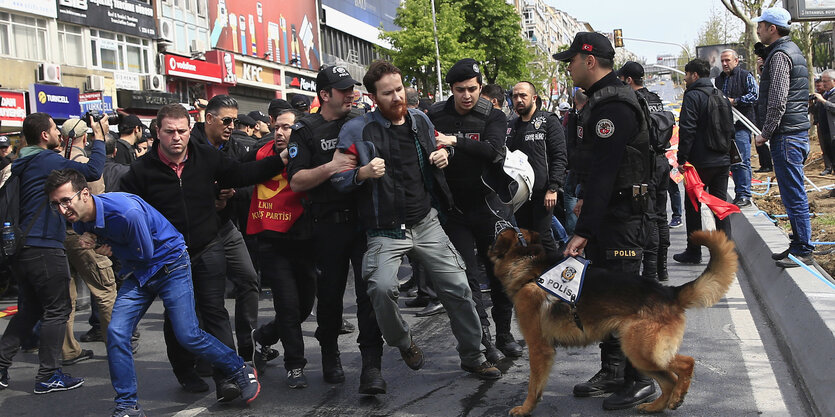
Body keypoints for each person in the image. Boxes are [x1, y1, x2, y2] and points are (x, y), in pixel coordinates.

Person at [332, 59, 501, 381]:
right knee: (380, 289)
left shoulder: (420, 120)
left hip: (426, 223)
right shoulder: (356, 129)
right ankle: (404, 342)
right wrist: (361, 173)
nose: (397, 98)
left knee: (459, 288)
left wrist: (445, 155)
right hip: (384, 230)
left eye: (399, 90)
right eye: (388, 93)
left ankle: (473, 356)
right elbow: (338, 179)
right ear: (373, 97)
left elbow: (440, 148)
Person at [45, 169, 260, 417]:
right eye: (56, 204)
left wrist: (109, 249)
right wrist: (96, 238)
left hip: (170, 265)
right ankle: (127, 405)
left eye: (65, 201)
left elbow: (144, 255)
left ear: (84, 194)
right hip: (140, 272)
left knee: (187, 333)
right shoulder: (81, 218)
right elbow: (133, 256)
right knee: (116, 333)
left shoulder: (127, 212)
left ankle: (240, 369)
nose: (62, 210)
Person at [119, 103, 283, 396]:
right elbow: (124, 210)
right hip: (168, 257)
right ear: (157, 132)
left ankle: (227, 378)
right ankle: (185, 371)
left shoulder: (205, 156)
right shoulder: (140, 172)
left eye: (182, 130)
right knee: (177, 316)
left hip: (207, 247)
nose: (176, 137)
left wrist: (281, 160)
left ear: (189, 130)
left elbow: (242, 174)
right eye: (169, 132)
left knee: (215, 311)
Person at [554, 32, 655, 410]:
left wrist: (583, 231)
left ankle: (642, 378)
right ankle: (614, 370)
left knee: (624, 301)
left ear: (589, 60)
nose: (568, 67)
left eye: (572, 61)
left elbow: (605, 172)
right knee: (606, 298)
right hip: (611, 215)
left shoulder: (613, 106)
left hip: (623, 218)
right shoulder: (601, 101)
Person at [285, 65, 387, 394]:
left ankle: (371, 364)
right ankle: (330, 354)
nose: (351, 95)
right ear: (324, 95)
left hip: (363, 221)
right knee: (329, 299)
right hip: (326, 226)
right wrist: (331, 167)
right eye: (343, 90)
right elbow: (297, 180)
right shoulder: (306, 129)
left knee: (369, 294)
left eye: (351, 89)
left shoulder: (362, 120)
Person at [0, 112, 105, 394]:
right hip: (45, 246)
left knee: (30, 310)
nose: (59, 131)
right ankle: (49, 374)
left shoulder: (21, 162)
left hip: (22, 248)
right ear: (44, 135)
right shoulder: (46, 161)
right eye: (54, 128)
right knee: (58, 309)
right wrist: (99, 136)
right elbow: (92, 172)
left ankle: (0, 366)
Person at [428, 58, 521, 361]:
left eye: (472, 89)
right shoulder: (436, 115)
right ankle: (485, 340)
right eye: (460, 90)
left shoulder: (493, 115)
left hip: (491, 208)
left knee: (499, 276)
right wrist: (437, 155)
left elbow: (494, 150)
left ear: (480, 88)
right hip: (455, 210)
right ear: (451, 90)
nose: (467, 95)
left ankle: (506, 336)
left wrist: (454, 142)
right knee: (468, 279)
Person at [245, 108, 316, 388]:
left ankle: (262, 337)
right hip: (271, 243)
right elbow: (239, 174)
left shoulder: (308, 155)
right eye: (277, 127)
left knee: (303, 307)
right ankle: (295, 366)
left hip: (305, 241)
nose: (280, 132)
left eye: (287, 128)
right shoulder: (260, 153)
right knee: (287, 307)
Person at [753, 7, 815, 268]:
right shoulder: (790, 51)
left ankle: (803, 249)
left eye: (761, 25)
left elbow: (778, 101)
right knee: (793, 191)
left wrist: (764, 134)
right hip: (794, 133)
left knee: (793, 193)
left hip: (786, 136)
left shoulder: (780, 55)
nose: (758, 30)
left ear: (772, 29)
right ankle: (800, 242)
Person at [58, 119, 117, 365]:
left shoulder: (54, 160)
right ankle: (117, 347)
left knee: (66, 297)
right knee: (105, 289)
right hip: (82, 234)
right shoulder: (82, 164)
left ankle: (68, 349)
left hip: (58, 236)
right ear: (85, 137)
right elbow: (96, 200)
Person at [673, 59, 732, 265]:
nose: (685, 78)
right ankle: (725, 254)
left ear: (695, 75)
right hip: (722, 161)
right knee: (720, 206)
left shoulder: (693, 96)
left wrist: (682, 159)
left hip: (698, 164)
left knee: (693, 207)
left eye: (687, 74)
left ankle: (694, 251)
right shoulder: (721, 94)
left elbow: (687, 129)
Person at [618, 61, 671, 282]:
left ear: (629, 80)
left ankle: (649, 275)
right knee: (661, 216)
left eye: (621, 80)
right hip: (662, 162)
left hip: (646, 165)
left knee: (648, 217)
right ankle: (662, 268)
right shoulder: (656, 99)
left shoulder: (634, 101)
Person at [506, 81, 567, 264]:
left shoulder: (548, 120)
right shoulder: (511, 125)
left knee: (543, 235)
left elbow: (560, 156)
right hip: (520, 194)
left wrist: (553, 188)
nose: (518, 100)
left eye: (523, 95)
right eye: (515, 96)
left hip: (543, 191)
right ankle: (538, 277)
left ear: (534, 98)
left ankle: (557, 276)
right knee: (527, 237)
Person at [715, 49, 758, 207]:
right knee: (732, 162)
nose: (725, 64)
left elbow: (754, 95)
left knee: (742, 160)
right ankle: (738, 193)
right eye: (723, 61)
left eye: (728, 60)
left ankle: (744, 194)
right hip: (726, 127)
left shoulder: (745, 76)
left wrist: (735, 101)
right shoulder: (719, 80)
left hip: (741, 125)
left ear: (736, 61)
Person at [562, 89, 588, 236]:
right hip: (583, 163)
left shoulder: (574, 116)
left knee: (571, 193)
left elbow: (568, 139)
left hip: (578, 164)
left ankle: (573, 231)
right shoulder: (591, 113)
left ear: (575, 101)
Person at [813, 71, 835, 177]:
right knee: (829, 154)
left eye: (826, 81)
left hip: (833, 132)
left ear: (834, 81)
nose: (824, 84)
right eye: (823, 81)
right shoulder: (825, 94)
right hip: (825, 131)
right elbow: (816, 111)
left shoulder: (830, 95)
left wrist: (823, 101)